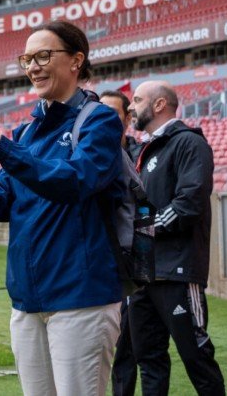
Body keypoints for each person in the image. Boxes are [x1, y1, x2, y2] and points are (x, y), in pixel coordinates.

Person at [0, 20, 123, 395]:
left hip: (80, 296)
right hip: (26, 297)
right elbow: (3, 203)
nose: (33, 67)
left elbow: (75, 181)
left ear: (76, 61)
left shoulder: (99, 120)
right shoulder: (26, 132)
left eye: (43, 56)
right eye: (26, 59)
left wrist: (0, 146)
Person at [127, 80, 225, 395]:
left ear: (159, 105)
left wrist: (140, 226)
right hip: (144, 274)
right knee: (149, 359)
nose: (131, 106)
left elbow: (188, 205)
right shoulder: (145, 147)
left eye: (137, 99)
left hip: (177, 271)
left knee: (195, 355)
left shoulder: (189, 143)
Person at [100, 89, 140, 396]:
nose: (106, 120)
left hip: (134, 261)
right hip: (103, 262)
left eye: (113, 114)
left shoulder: (142, 155)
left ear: (128, 118)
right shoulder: (92, 153)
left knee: (135, 344)